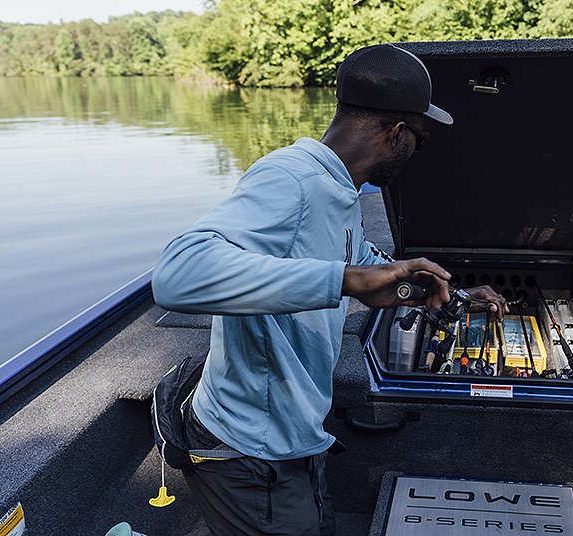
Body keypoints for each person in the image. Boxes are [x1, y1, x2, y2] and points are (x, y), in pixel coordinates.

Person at [152, 43, 508, 536]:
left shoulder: (340, 189)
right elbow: (178, 275)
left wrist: (452, 294)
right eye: (419, 141)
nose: (415, 153)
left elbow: (368, 269)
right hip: (251, 449)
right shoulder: (290, 179)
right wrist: (345, 281)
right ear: (396, 133)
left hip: (296, 436)